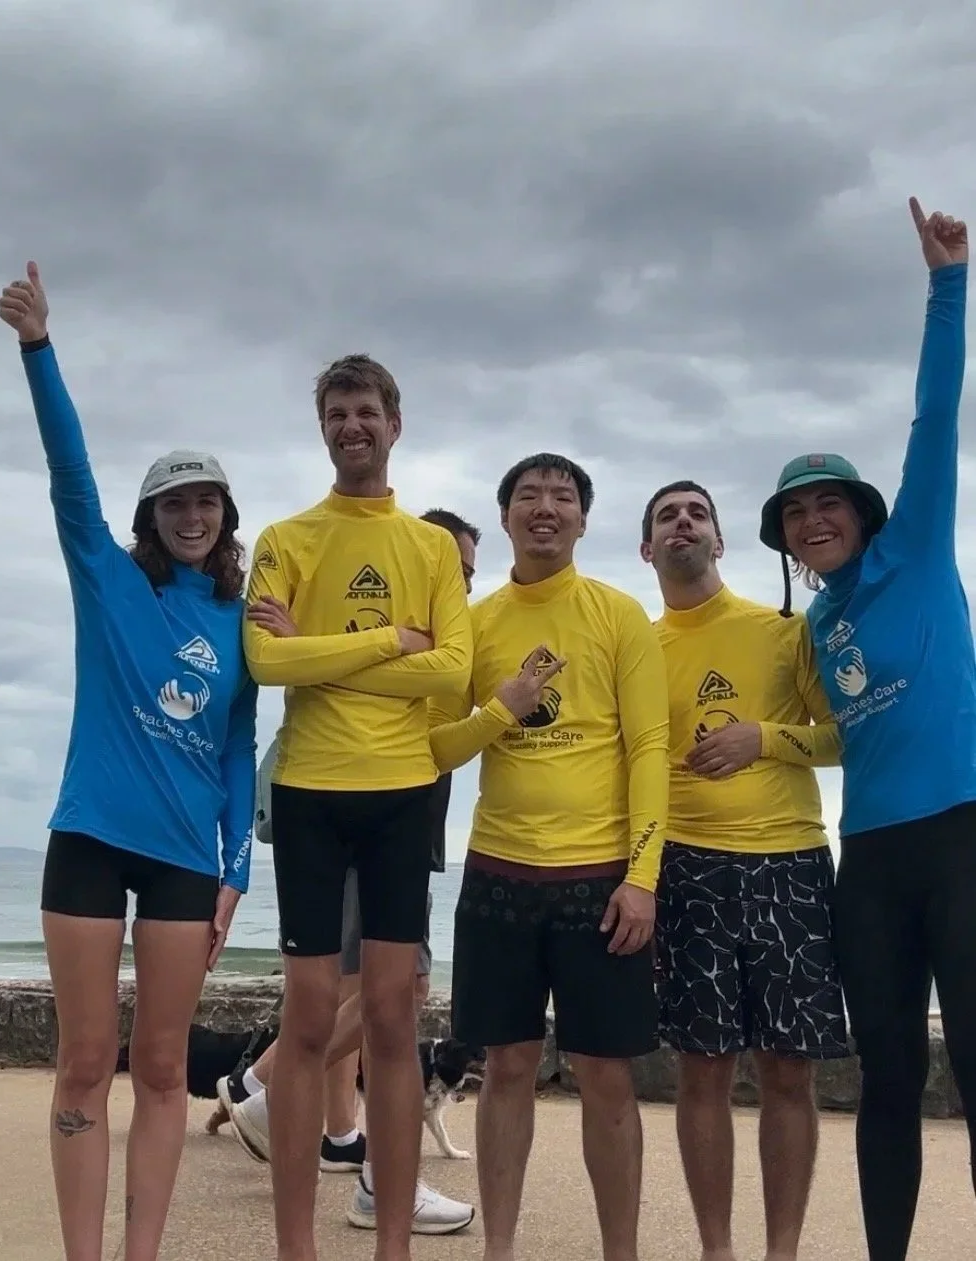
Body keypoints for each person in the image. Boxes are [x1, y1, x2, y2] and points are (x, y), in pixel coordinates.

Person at [0, 263, 257, 1261]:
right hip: (92, 840)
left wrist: (237, 871)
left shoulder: (240, 622)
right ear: (150, 517)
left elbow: (239, 748)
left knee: (159, 1068)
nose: (192, 515)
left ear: (225, 516)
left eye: (207, 502)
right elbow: (70, 468)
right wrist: (38, 349)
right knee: (82, 1061)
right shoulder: (106, 576)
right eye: (174, 502)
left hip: (190, 860)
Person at [758, 199, 975, 1261]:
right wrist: (762, 742)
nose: (813, 520)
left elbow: (935, 419)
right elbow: (830, 737)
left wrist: (947, 284)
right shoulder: (817, 624)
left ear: (864, 509)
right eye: (797, 515)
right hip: (873, 861)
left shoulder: (919, 552)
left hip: (964, 835)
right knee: (887, 1078)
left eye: (827, 503)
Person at [242, 355, 474, 1261]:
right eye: (337, 412)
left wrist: (322, 649)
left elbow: (452, 669)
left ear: (395, 423)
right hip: (309, 793)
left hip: (399, 793)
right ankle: (294, 1243)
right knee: (307, 1017)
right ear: (323, 426)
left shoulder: (426, 547)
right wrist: (387, 642)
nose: (353, 425)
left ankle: (393, 1244)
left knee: (389, 1013)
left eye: (367, 410)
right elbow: (267, 664)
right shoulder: (286, 537)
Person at [428, 452, 669, 1261]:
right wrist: (504, 706)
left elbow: (650, 746)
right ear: (505, 518)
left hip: (600, 883)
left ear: (583, 519)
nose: (545, 507)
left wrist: (643, 877)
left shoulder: (617, 613)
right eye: (529, 495)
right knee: (506, 1066)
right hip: (498, 873)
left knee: (606, 1076)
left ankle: (621, 1251)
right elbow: (440, 748)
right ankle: (499, 1246)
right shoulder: (480, 620)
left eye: (562, 496)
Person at [639, 480, 848, 1261]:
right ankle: (717, 1249)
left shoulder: (785, 631)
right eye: (667, 515)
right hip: (685, 868)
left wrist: (764, 738)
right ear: (647, 547)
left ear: (720, 542)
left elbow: (838, 736)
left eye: (697, 513)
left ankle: (782, 1250)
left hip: (788, 861)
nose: (683, 522)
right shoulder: (638, 645)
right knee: (702, 1071)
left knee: (790, 1073)